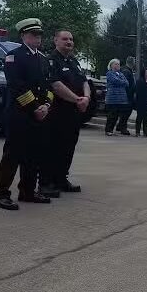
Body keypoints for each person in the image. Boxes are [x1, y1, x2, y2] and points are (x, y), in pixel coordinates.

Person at [0, 18, 53, 210]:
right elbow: (16, 86)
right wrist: (35, 107)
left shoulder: (43, 59)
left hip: (38, 115)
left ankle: (27, 191)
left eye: (39, 35)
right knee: (13, 155)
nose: (37, 38)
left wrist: (46, 105)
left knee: (33, 155)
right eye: (33, 35)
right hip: (20, 114)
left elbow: (49, 86)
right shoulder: (14, 56)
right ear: (23, 36)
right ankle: (1, 194)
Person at [42, 30, 90, 195]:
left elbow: (84, 81)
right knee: (52, 148)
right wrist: (78, 100)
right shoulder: (50, 61)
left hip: (73, 113)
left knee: (68, 147)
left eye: (71, 39)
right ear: (56, 40)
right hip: (57, 113)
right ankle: (46, 183)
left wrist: (86, 98)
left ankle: (61, 179)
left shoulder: (74, 61)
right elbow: (56, 85)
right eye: (65, 39)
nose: (69, 42)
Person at [104, 59, 131, 136]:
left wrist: (121, 82)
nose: (117, 66)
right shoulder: (110, 73)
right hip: (112, 98)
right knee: (111, 115)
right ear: (111, 65)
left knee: (117, 115)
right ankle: (108, 130)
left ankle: (113, 129)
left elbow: (127, 83)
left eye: (118, 64)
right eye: (116, 64)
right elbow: (115, 81)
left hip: (121, 99)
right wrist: (121, 82)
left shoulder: (121, 74)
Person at [121, 55, 137, 122]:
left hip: (128, 95)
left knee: (126, 112)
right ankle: (122, 127)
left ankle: (121, 126)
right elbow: (126, 84)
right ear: (132, 63)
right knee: (126, 112)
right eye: (134, 62)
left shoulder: (127, 70)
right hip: (127, 96)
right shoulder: (126, 71)